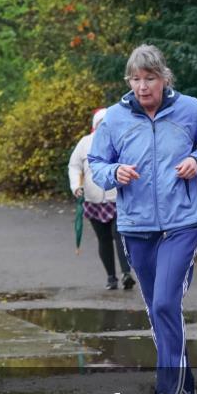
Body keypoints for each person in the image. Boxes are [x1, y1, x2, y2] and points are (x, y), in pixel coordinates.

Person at [88, 44, 197, 394]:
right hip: (136, 226)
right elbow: (96, 164)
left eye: (149, 78)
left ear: (164, 79)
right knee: (158, 311)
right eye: (135, 79)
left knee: (166, 303)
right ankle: (187, 388)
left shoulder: (189, 109)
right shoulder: (115, 118)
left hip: (182, 223)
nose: (142, 86)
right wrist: (113, 172)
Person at [68, 108, 135, 290]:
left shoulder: (121, 141)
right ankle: (111, 277)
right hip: (93, 200)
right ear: (95, 126)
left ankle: (126, 273)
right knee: (103, 239)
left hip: (117, 199)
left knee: (119, 234)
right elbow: (74, 166)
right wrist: (76, 186)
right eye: (101, 123)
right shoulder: (85, 143)